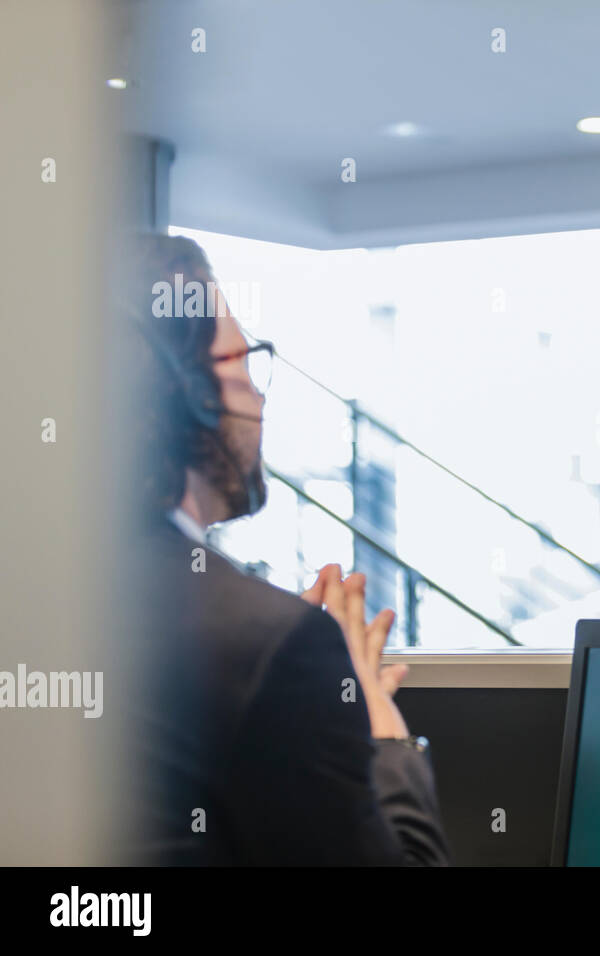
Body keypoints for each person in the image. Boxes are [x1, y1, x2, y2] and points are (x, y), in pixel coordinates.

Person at [125, 234, 449, 864]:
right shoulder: (266, 645)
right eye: (244, 361)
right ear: (188, 392)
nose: (260, 395)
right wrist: (378, 726)